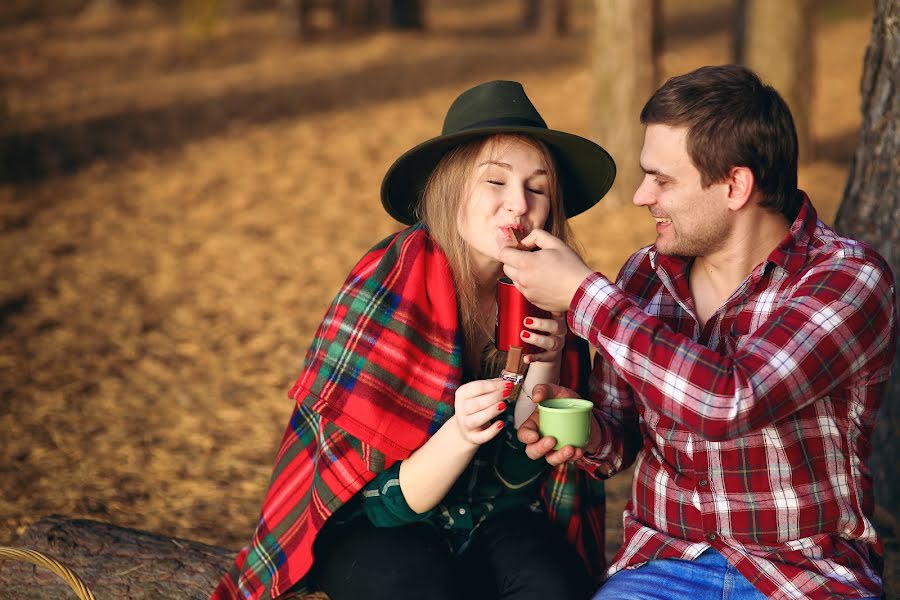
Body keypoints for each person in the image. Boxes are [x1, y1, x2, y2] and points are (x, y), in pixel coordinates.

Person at [500, 64, 897, 600]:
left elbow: (731, 401)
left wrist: (581, 295)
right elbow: (618, 438)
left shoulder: (847, 279)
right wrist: (586, 434)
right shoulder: (643, 276)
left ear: (735, 185)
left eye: (661, 180)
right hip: (665, 565)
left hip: (804, 575)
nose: (641, 197)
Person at [211, 80, 617, 600]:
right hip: (380, 520)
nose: (518, 204)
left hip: (493, 515)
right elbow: (386, 500)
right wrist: (461, 434)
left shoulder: (548, 292)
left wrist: (549, 359)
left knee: (555, 585)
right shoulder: (390, 285)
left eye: (537, 188)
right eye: (496, 181)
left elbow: (520, 478)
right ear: (451, 189)